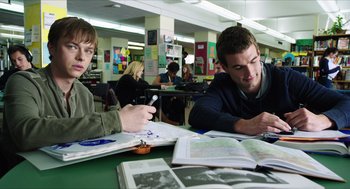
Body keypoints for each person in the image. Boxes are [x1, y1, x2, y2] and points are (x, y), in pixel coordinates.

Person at [0, 17, 156, 176]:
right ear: (52, 48)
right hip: (24, 176)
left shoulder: (84, 93)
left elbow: (84, 140)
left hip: (69, 173)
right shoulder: (23, 81)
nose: (82, 57)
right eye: (72, 47)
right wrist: (117, 120)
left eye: (88, 50)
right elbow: (25, 134)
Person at [189, 26, 350, 136]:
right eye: (238, 67)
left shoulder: (287, 78)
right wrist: (244, 125)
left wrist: (323, 120)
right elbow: (198, 114)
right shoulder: (222, 83)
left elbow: (347, 103)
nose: (250, 72)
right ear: (224, 66)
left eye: (253, 60)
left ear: (259, 53)